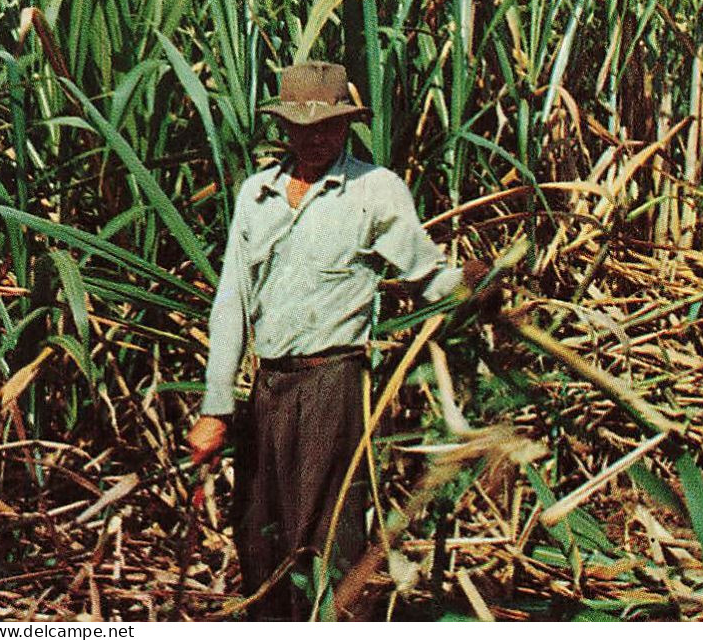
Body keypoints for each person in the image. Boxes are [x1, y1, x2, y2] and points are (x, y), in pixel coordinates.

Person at [186, 62, 489, 620]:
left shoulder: (374, 191)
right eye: (303, 126)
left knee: (327, 534)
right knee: (257, 533)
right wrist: (217, 407)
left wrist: (478, 289)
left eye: (328, 125)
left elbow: (427, 277)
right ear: (284, 127)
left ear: (346, 125)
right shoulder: (257, 194)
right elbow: (230, 302)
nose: (316, 137)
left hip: (335, 383)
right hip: (269, 387)